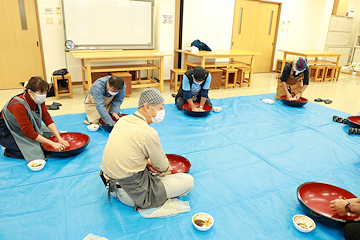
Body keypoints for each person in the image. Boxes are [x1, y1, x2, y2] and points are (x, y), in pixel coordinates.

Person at [100, 88, 194, 209]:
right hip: (130, 194)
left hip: (110, 185)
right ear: (147, 107)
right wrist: (166, 169)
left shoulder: (123, 120)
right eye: (160, 108)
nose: (163, 111)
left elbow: (130, 153)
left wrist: (149, 161)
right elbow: (163, 166)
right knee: (188, 180)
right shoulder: (148, 133)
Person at [0, 76, 69, 162]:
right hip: (7, 131)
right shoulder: (17, 105)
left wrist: (59, 138)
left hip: (26, 127)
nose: (44, 95)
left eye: (45, 92)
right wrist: (52, 143)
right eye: (41, 92)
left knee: (55, 135)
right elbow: (28, 132)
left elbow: (46, 118)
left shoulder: (38, 99)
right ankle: (9, 148)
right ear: (30, 92)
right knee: (37, 152)